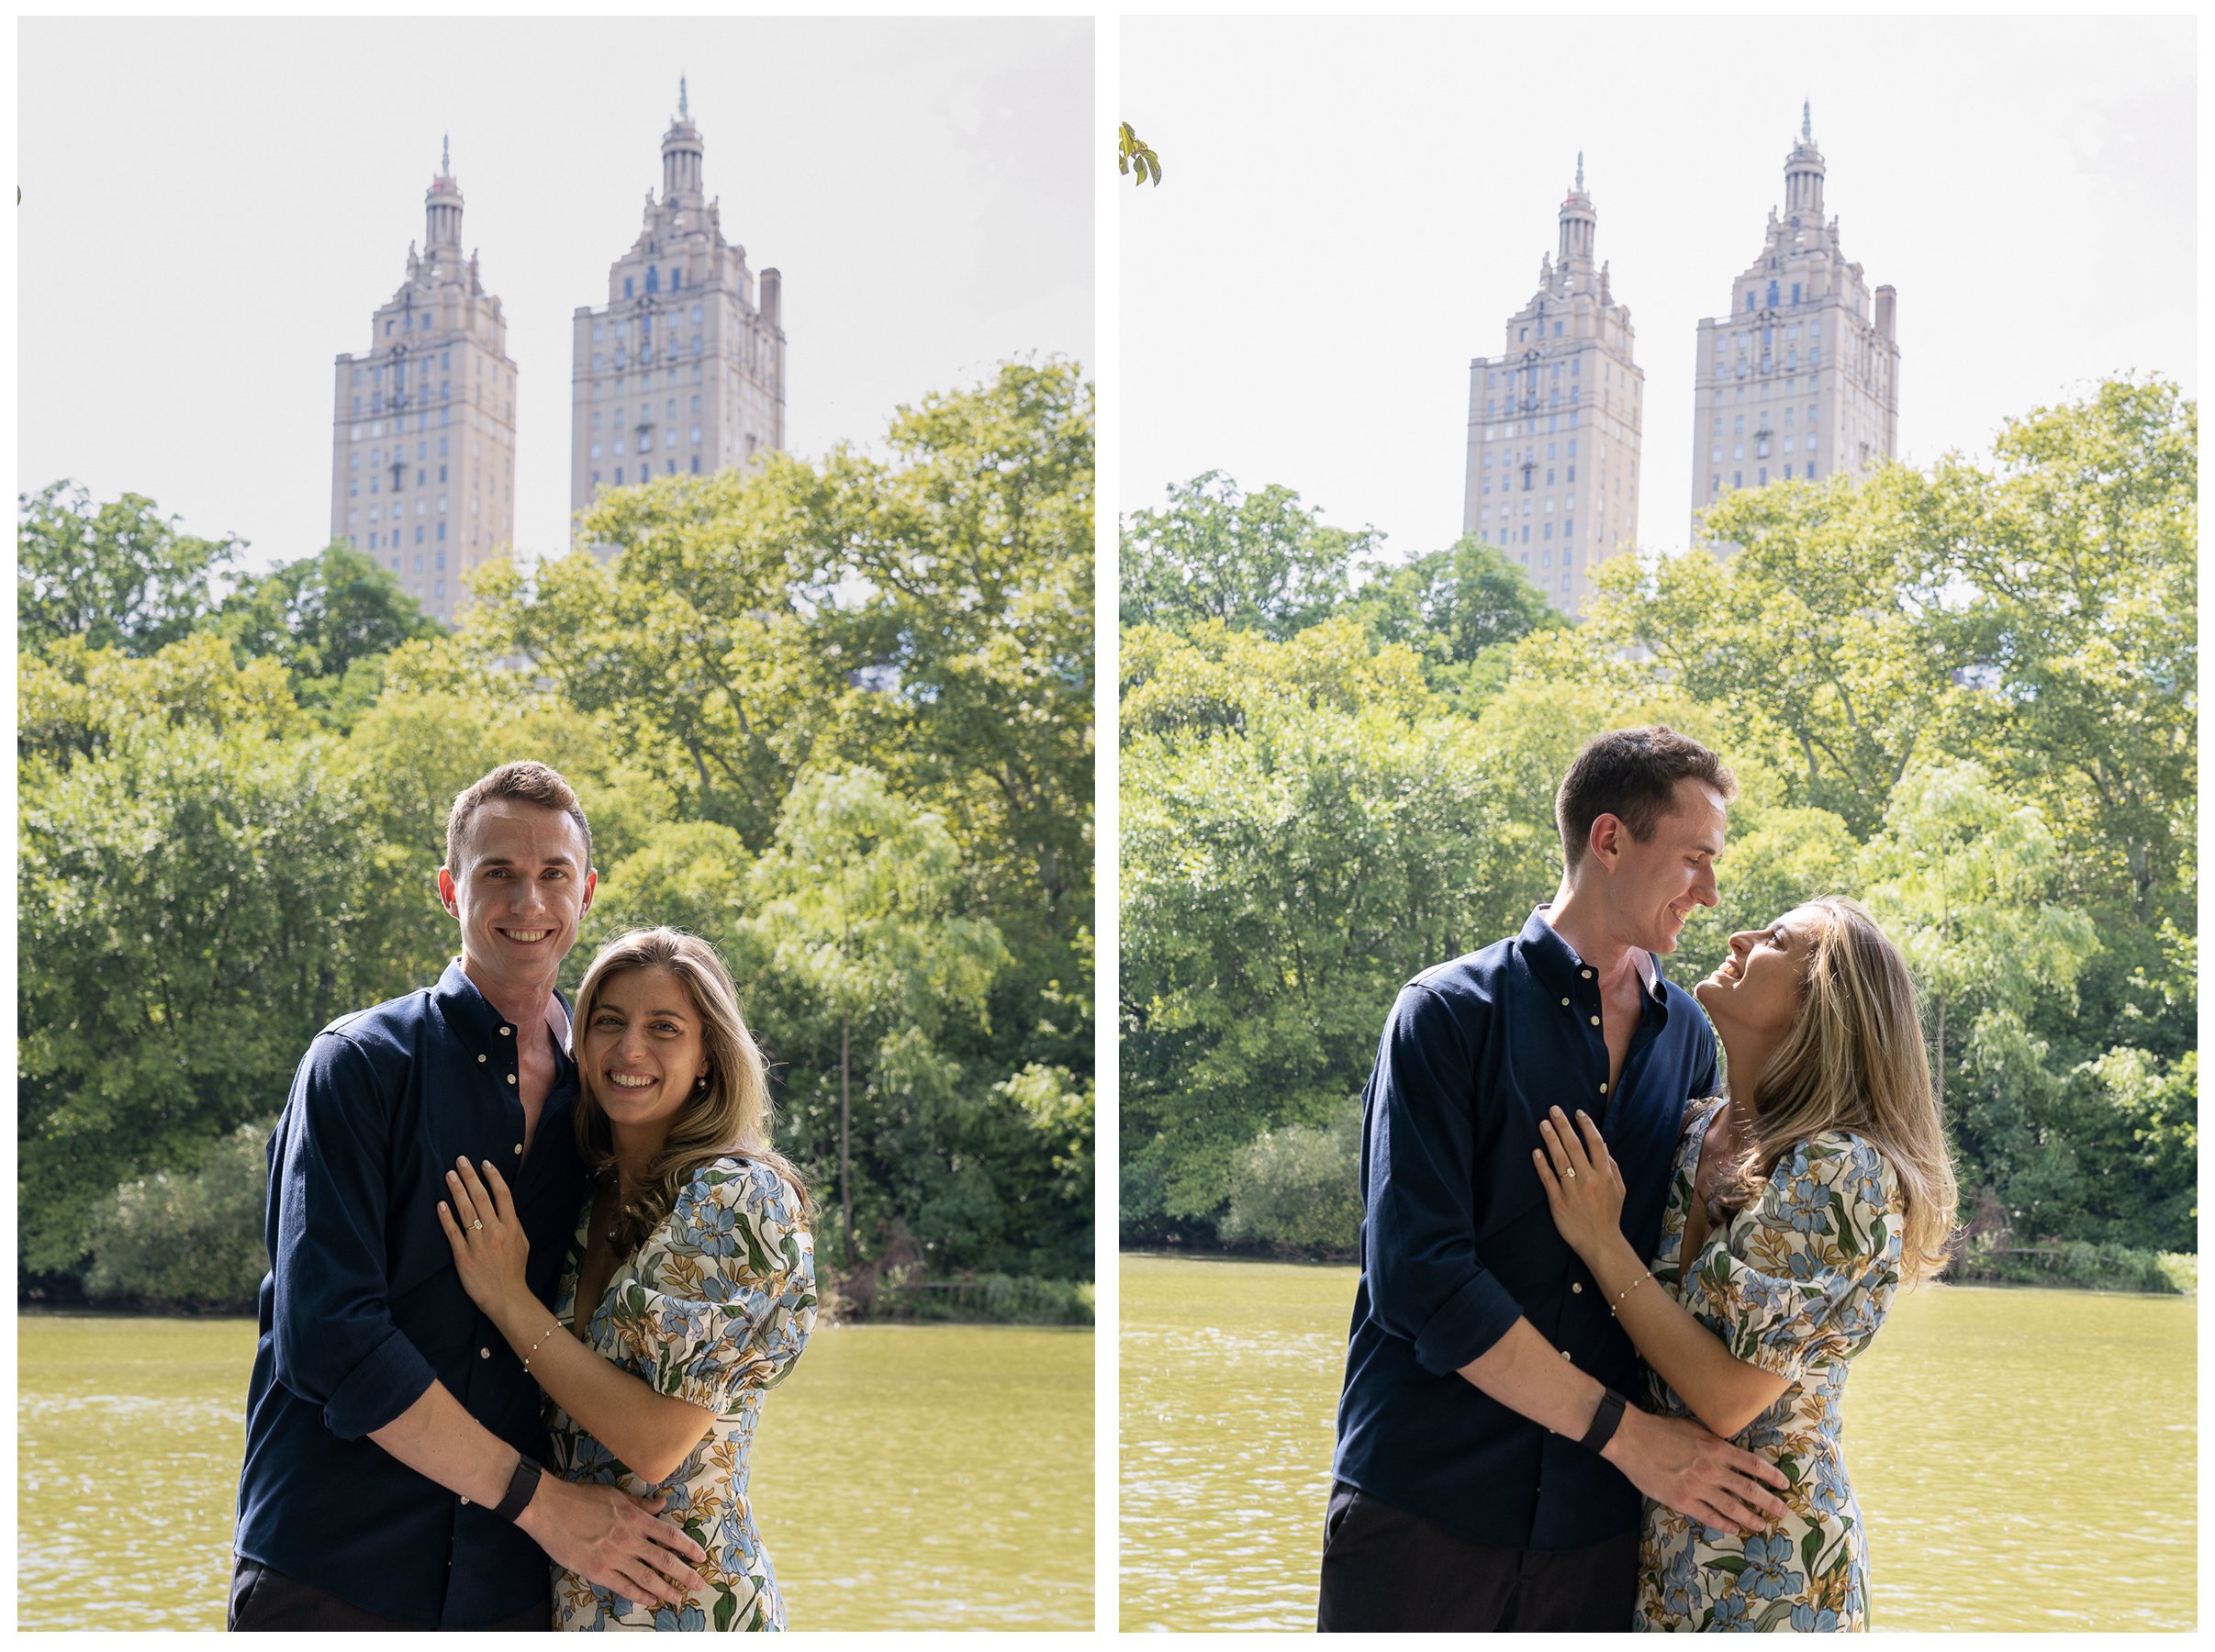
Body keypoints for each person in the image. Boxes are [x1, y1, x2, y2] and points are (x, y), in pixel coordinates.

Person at [1320, 726, 1793, 1634]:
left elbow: (1683, 1271)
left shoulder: (1692, 1039)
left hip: (1598, 1537)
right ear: (1609, 839)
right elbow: (1422, 1283)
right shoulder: (1446, 1015)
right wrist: (1635, 1443)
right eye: (1694, 858)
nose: (1711, 890)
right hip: (1425, 1507)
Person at [230, 762, 710, 1631]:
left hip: (509, 1593)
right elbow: (332, 1340)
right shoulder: (360, 1066)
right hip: (336, 1569)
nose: (528, 901)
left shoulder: (605, 1104)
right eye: (498, 873)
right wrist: (544, 1506)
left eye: (552, 874)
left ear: (587, 892)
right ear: (450, 888)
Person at [1533, 897, 1958, 1632]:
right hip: (1660, 1553)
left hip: (1775, 1568)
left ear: (1817, 1005)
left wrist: (1601, 1241)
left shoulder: (1838, 1169)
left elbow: (1726, 1397)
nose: (1739, 935)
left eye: (1774, 940)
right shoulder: (1693, 1129)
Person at [440, 927, 817, 1632]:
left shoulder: (738, 1200)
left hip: (688, 1603)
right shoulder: (584, 1197)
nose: (629, 1050)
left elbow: (655, 1440)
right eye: (608, 1022)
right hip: (569, 1599)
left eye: (663, 1028)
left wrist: (506, 1298)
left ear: (708, 1055)